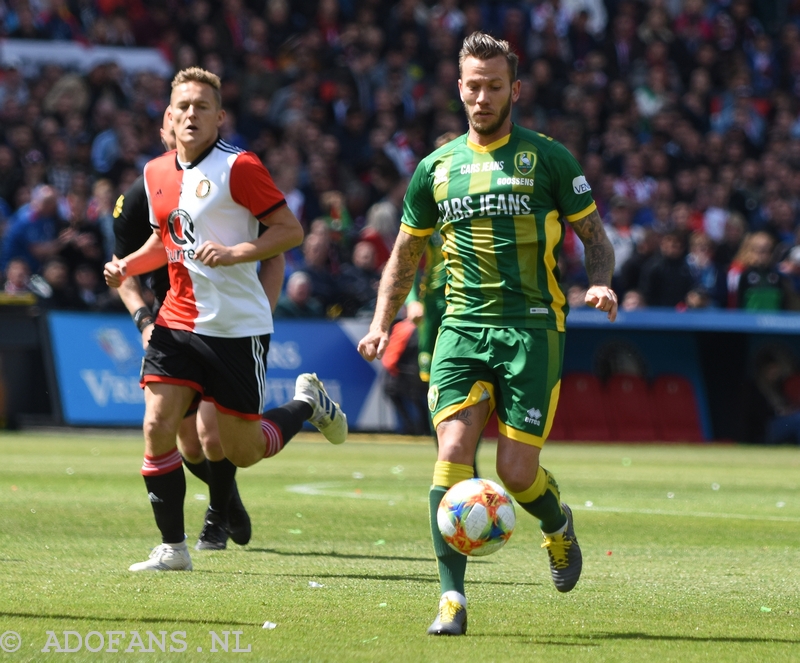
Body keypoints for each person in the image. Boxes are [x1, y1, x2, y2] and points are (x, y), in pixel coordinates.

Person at [357, 33, 618, 636]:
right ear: (458, 88)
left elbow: (595, 239)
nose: (482, 96)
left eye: (493, 86)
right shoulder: (436, 168)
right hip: (461, 329)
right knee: (452, 455)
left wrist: (600, 283)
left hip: (532, 328)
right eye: (472, 85)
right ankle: (451, 599)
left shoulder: (550, 159)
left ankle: (557, 525)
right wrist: (380, 321)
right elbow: (404, 256)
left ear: (514, 90)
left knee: (516, 471)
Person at [104, 67, 348, 572]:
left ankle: (306, 403)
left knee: (240, 449)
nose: (191, 114)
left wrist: (239, 252)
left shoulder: (240, 167)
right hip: (177, 321)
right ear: (169, 116)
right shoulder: (155, 174)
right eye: (183, 107)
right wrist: (129, 265)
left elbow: (290, 231)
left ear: (220, 116)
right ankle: (173, 548)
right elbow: (164, 240)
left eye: (201, 107)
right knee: (157, 426)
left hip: (236, 329)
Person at [112, 106, 280, 551]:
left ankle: (217, 514)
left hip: (229, 322)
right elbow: (124, 268)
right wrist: (143, 320)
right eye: (176, 118)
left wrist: (263, 313)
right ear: (164, 127)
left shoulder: (230, 174)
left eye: (198, 112)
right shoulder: (143, 188)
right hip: (173, 320)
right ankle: (209, 518)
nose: (185, 127)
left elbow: (277, 245)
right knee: (184, 441)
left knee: (217, 437)